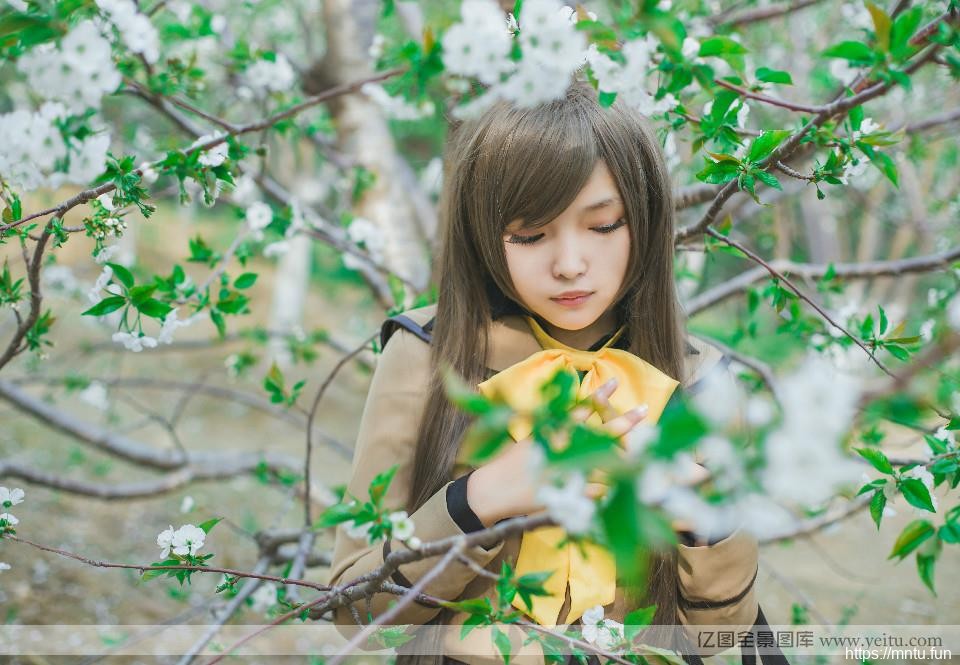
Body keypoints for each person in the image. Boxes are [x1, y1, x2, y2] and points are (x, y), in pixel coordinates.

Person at [327, 79, 761, 665]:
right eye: (530, 235)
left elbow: (718, 639)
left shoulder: (700, 380)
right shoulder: (426, 355)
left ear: (647, 220)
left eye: (604, 225)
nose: (570, 265)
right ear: (484, 236)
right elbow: (356, 613)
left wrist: (696, 513)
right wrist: (476, 500)